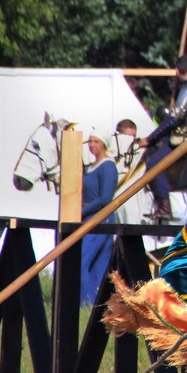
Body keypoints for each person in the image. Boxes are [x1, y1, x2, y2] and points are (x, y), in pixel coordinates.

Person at [137, 54, 187, 219]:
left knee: (153, 164)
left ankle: (164, 208)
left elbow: (174, 119)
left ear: (178, 71)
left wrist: (150, 139)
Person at [81, 127, 118, 306]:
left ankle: (85, 303)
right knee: (97, 264)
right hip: (90, 217)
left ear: (104, 144)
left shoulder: (108, 166)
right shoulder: (92, 166)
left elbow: (105, 198)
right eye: (90, 141)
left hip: (100, 218)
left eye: (96, 141)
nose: (92, 145)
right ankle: (96, 305)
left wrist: (81, 212)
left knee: (83, 259)